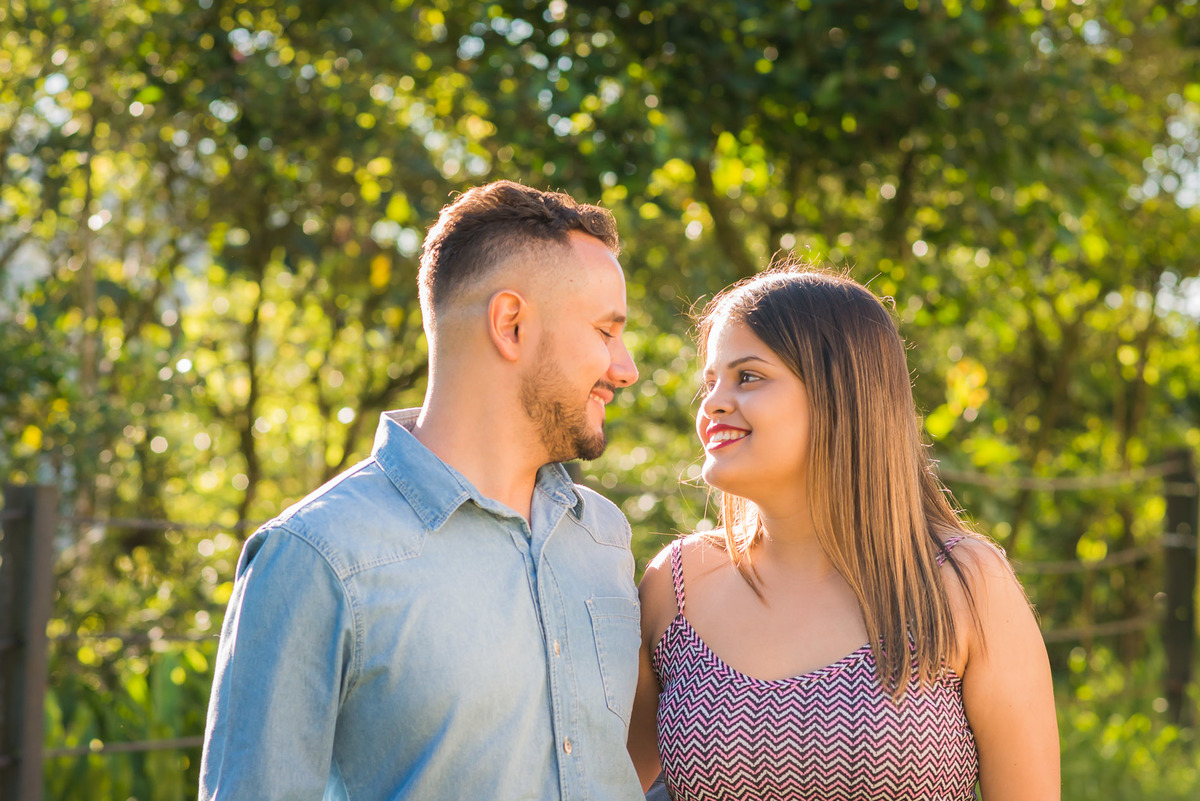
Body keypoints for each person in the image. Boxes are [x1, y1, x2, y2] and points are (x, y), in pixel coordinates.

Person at [200, 180, 645, 800]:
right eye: (605, 332)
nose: (627, 369)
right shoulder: (318, 556)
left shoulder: (604, 537)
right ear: (510, 324)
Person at [628, 265, 1060, 800]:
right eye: (710, 381)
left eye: (749, 376)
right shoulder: (676, 586)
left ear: (841, 393)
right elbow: (599, 782)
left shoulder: (965, 584)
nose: (712, 402)